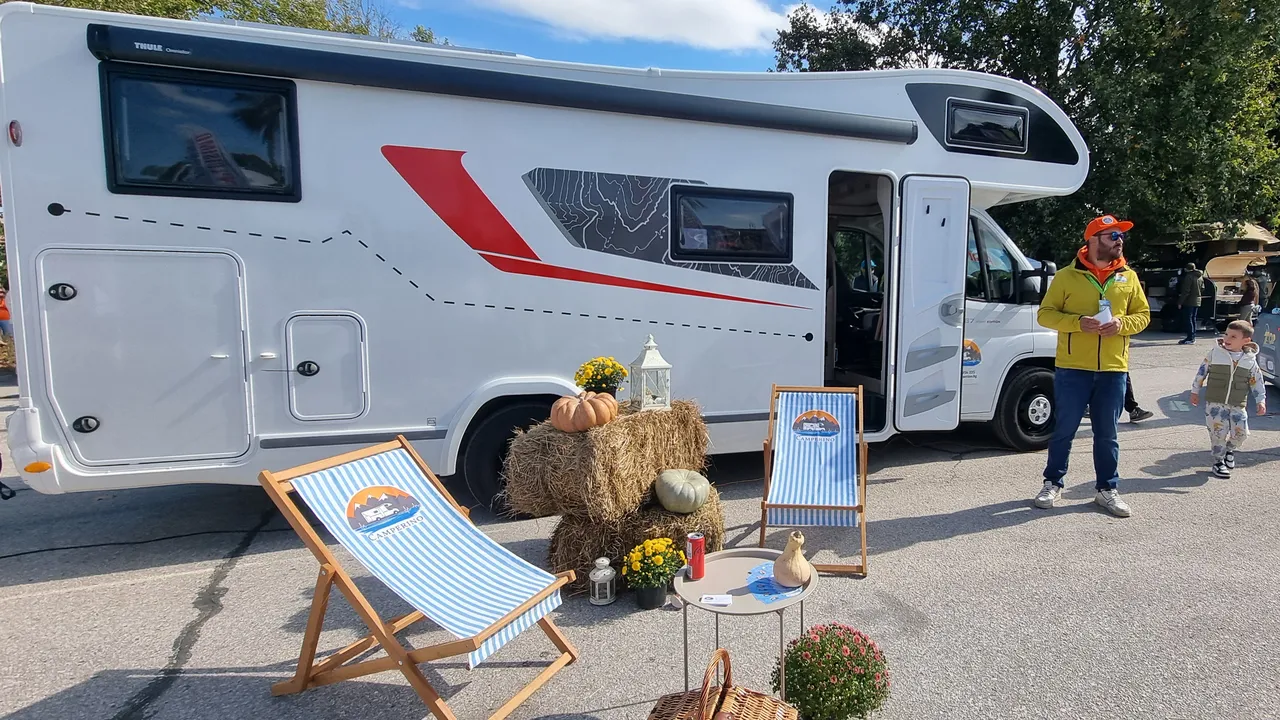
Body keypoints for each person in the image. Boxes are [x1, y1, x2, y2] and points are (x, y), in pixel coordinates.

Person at [1033, 214, 1150, 517]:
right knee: (1064, 430)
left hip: (1113, 369)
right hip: (1073, 368)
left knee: (1107, 434)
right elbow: (1045, 314)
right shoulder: (1066, 276)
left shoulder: (1128, 276)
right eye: (1113, 236)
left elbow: (1143, 316)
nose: (1120, 241)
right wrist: (1077, 323)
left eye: (1121, 236)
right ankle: (1052, 483)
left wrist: (1122, 324)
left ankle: (1107, 489)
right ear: (1093, 240)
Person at [1189, 320, 1266, 479]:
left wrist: (1261, 400)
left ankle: (1229, 450)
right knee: (1218, 434)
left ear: (1246, 341)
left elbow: (1257, 381)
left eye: (1233, 336)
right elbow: (1202, 372)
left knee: (1241, 433)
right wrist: (1195, 390)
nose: (1227, 338)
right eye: (1226, 334)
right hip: (1215, 403)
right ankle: (1218, 462)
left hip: (1237, 404)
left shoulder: (1249, 360)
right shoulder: (1215, 354)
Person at [1176, 262, 1204, 344]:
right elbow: (1203, 288)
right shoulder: (1200, 276)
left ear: (1187, 269)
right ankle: (1193, 336)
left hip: (1189, 300)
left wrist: (1180, 302)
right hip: (1197, 300)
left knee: (1188, 319)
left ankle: (1190, 338)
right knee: (1193, 319)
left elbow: (1186, 291)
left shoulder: (1189, 277)